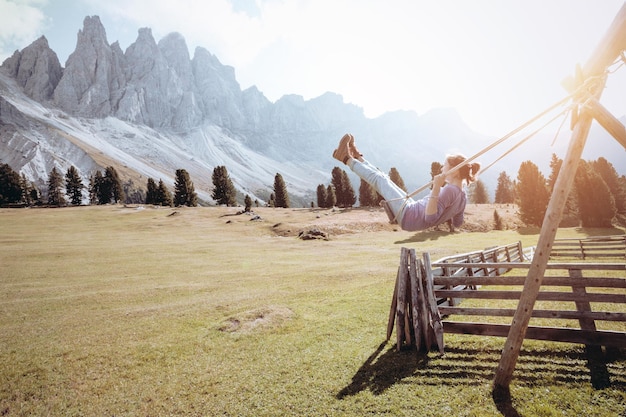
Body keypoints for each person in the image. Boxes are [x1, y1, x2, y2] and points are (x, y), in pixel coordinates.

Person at [332, 133, 480, 232]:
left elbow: (430, 218)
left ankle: (346, 158)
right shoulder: (462, 196)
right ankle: (357, 157)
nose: (442, 168)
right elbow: (457, 223)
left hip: (410, 215)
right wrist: (452, 210)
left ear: (454, 171)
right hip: (411, 210)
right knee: (383, 177)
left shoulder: (450, 191)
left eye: (445, 165)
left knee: (380, 180)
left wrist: (436, 188)